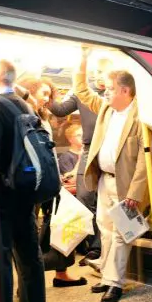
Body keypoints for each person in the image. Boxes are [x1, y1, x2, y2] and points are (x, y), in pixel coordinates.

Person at [75, 46, 150, 302]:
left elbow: (145, 156)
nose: (105, 92)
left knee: (122, 232)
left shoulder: (142, 114)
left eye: (109, 88)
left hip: (127, 185)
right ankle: (107, 277)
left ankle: (115, 283)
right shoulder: (107, 109)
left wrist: (135, 193)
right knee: (105, 229)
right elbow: (82, 92)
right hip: (105, 180)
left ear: (125, 91)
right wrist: (83, 59)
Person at [0, 60, 47, 302]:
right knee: (29, 250)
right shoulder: (27, 105)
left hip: (3, 193)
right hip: (27, 191)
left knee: (2, 256)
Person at [17, 76, 87, 288]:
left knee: (61, 224)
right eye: (43, 93)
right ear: (30, 91)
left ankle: (61, 273)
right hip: (34, 181)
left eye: (50, 94)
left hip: (50, 180)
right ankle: (26, 283)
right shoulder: (22, 115)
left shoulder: (44, 117)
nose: (47, 99)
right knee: (30, 232)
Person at [48, 56, 114, 263]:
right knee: (85, 198)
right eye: (100, 73)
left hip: (111, 147)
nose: (103, 78)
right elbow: (60, 110)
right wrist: (46, 95)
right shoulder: (83, 93)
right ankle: (95, 245)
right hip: (89, 149)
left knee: (110, 198)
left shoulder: (115, 94)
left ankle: (110, 244)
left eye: (107, 73)